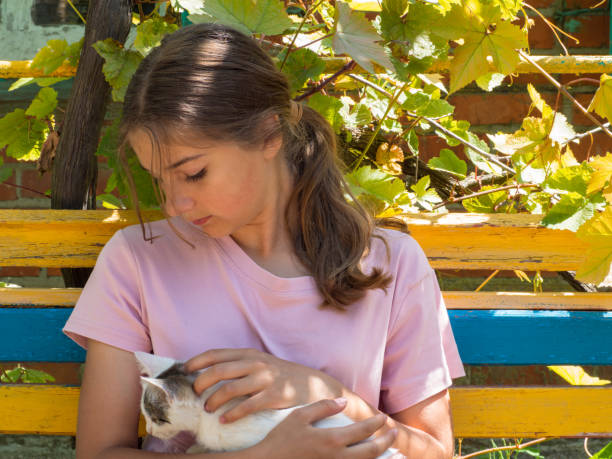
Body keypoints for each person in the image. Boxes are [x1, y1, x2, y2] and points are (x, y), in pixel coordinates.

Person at [63, 22, 465, 459]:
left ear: (269, 134)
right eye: (159, 179)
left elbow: (431, 452)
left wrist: (328, 395)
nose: (175, 203)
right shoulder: (137, 260)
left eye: (194, 172)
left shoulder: (389, 264)